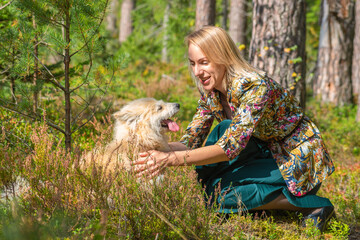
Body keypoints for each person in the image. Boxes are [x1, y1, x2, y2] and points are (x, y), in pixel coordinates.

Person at [134, 26, 335, 232]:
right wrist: (149, 150)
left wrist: (168, 159)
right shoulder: (211, 93)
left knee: (217, 193)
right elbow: (189, 142)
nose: (197, 71)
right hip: (261, 153)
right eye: (192, 63)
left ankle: (313, 205)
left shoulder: (254, 87)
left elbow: (228, 149)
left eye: (204, 62)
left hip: (295, 158)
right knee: (215, 167)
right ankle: (249, 199)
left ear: (223, 57)